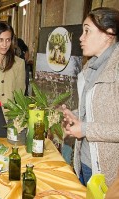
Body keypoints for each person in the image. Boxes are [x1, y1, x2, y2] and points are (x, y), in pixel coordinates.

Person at [62, 7, 119, 186]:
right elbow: (96, 111)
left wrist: (85, 129)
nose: (81, 37)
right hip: (84, 161)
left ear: (108, 34)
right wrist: (76, 116)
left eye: (87, 31)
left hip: (108, 172)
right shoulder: (90, 67)